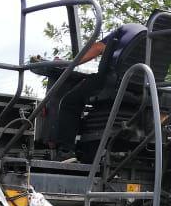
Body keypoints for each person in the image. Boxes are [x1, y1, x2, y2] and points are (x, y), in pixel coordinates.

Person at [47, 23, 147, 153]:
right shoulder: (155, 38)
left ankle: (66, 151)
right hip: (141, 89)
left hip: (112, 82)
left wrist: (69, 63)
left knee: (69, 102)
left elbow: (99, 48)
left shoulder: (127, 28)